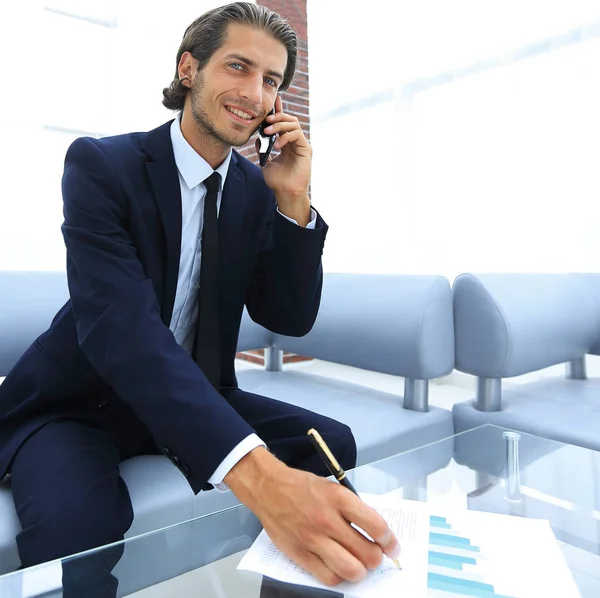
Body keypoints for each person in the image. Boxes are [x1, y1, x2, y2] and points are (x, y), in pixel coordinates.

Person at [0, 2, 400, 595]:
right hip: (81, 402)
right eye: (238, 67)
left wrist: (293, 201)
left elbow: (285, 316)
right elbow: (122, 332)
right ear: (189, 68)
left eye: (271, 80)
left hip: (195, 390)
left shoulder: (252, 189)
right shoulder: (103, 165)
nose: (255, 92)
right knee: (77, 525)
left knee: (328, 446)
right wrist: (259, 476)